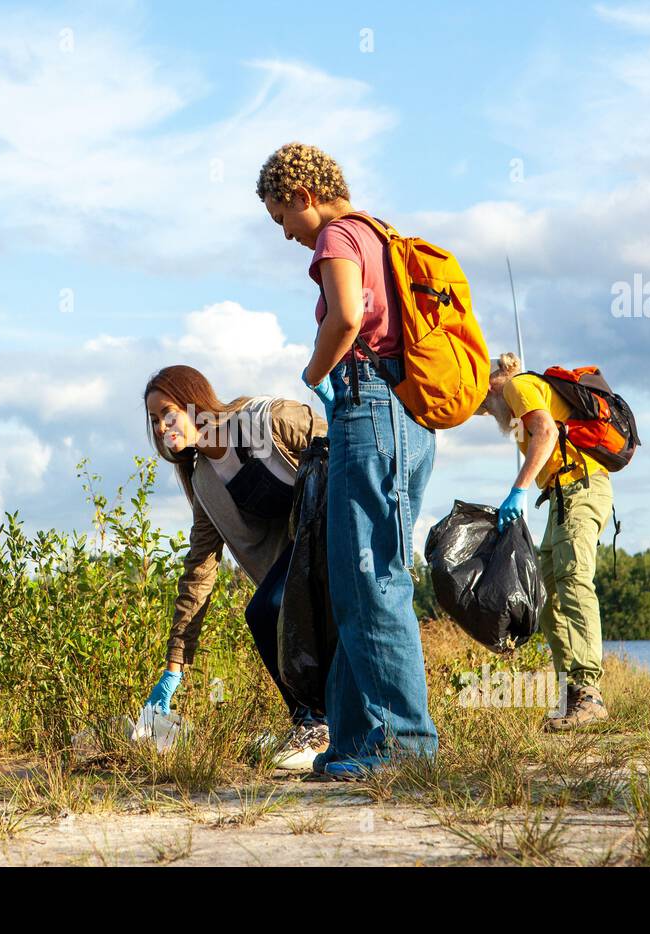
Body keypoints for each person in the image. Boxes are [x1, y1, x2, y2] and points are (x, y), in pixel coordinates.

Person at [255, 142, 439, 778]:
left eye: (283, 217)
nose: (286, 234)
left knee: (372, 582)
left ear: (304, 196)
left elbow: (347, 316)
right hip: (404, 419)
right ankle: (356, 744)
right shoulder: (380, 236)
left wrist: (313, 371)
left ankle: (403, 749)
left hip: (371, 407)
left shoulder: (337, 237)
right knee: (355, 583)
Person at [141, 365, 329, 770]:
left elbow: (339, 444)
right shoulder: (206, 484)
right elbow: (199, 573)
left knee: (272, 605)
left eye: (168, 413)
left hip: (338, 534)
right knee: (263, 610)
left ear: (195, 404)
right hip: (300, 558)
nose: (161, 428)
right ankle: (311, 726)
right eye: (154, 420)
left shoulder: (262, 421)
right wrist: (175, 665)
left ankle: (320, 726)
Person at [477, 352, 614, 730]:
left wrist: (518, 489)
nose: (487, 414)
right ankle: (572, 697)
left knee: (574, 583)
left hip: (580, 489)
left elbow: (547, 432)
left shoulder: (519, 387)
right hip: (561, 497)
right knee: (550, 596)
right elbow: (466, 410)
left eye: (485, 404)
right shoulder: (514, 399)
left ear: (492, 386)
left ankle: (590, 694)